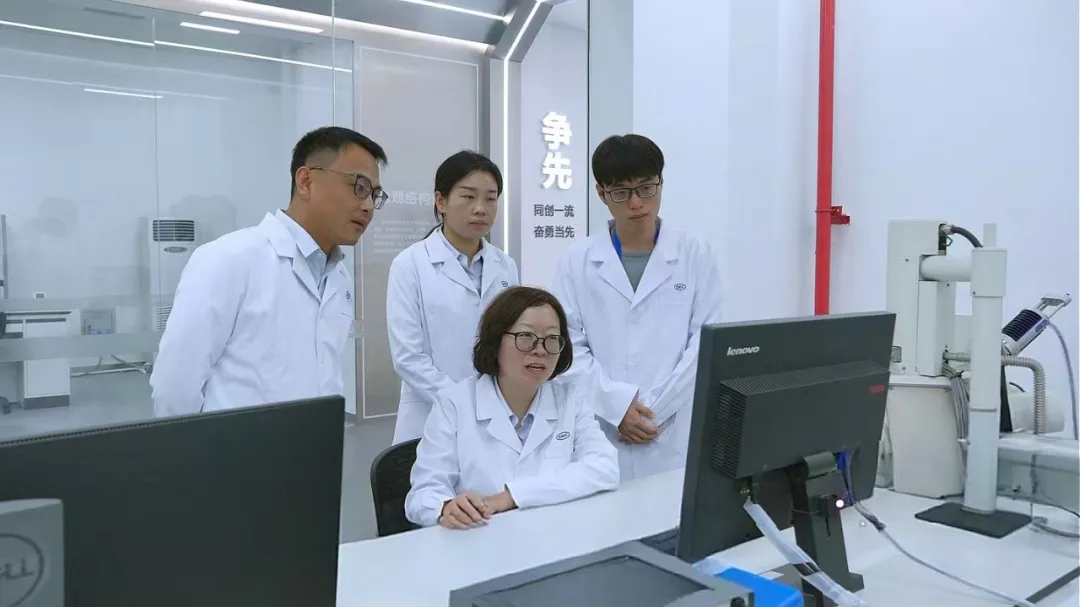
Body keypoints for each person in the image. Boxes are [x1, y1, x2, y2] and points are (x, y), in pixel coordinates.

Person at [150, 126, 388, 417]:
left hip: (312, 440)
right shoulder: (228, 259)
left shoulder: (338, 278)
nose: (368, 207)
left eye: (375, 194)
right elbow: (175, 386)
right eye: (359, 187)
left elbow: (325, 375)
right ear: (306, 181)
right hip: (233, 445)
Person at [550, 134, 724, 480]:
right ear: (601, 193)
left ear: (661, 183)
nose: (636, 203)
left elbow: (705, 342)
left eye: (646, 188)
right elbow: (567, 346)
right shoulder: (577, 260)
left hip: (673, 431)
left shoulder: (695, 254)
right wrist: (617, 407)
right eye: (621, 192)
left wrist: (652, 411)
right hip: (601, 428)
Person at [405, 286, 619, 529]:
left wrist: (511, 496)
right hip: (478, 539)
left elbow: (605, 468)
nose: (540, 350)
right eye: (526, 337)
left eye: (552, 339)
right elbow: (422, 495)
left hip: (554, 535)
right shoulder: (454, 403)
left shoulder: (570, 399)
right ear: (496, 341)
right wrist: (445, 508)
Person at [386, 151, 519, 444]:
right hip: (430, 414)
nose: (480, 209)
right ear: (441, 201)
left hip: (496, 413)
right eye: (468, 197)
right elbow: (408, 357)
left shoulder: (505, 266)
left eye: (491, 198)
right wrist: (463, 403)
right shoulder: (410, 264)